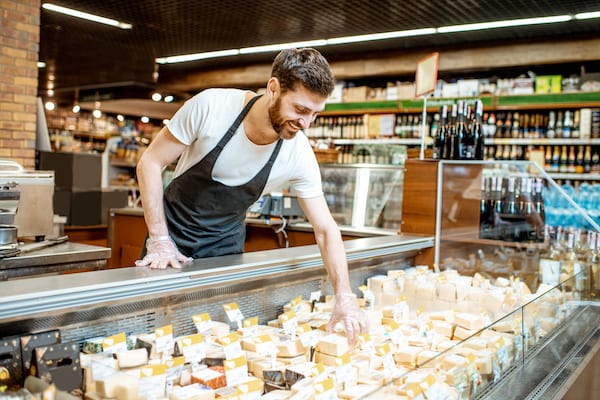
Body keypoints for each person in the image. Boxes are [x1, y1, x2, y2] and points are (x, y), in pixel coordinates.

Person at [135, 48, 367, 344]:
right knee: (155, 336)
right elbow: (150, 162)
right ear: (273, 88)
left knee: (216, 341)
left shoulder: (298, 153)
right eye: (300, 110)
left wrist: (344, 296)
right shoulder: (211, 107)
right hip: (169, 241)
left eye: (315, 114)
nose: (306, 124)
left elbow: (325, 230)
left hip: (226, 248)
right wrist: (159, 239)